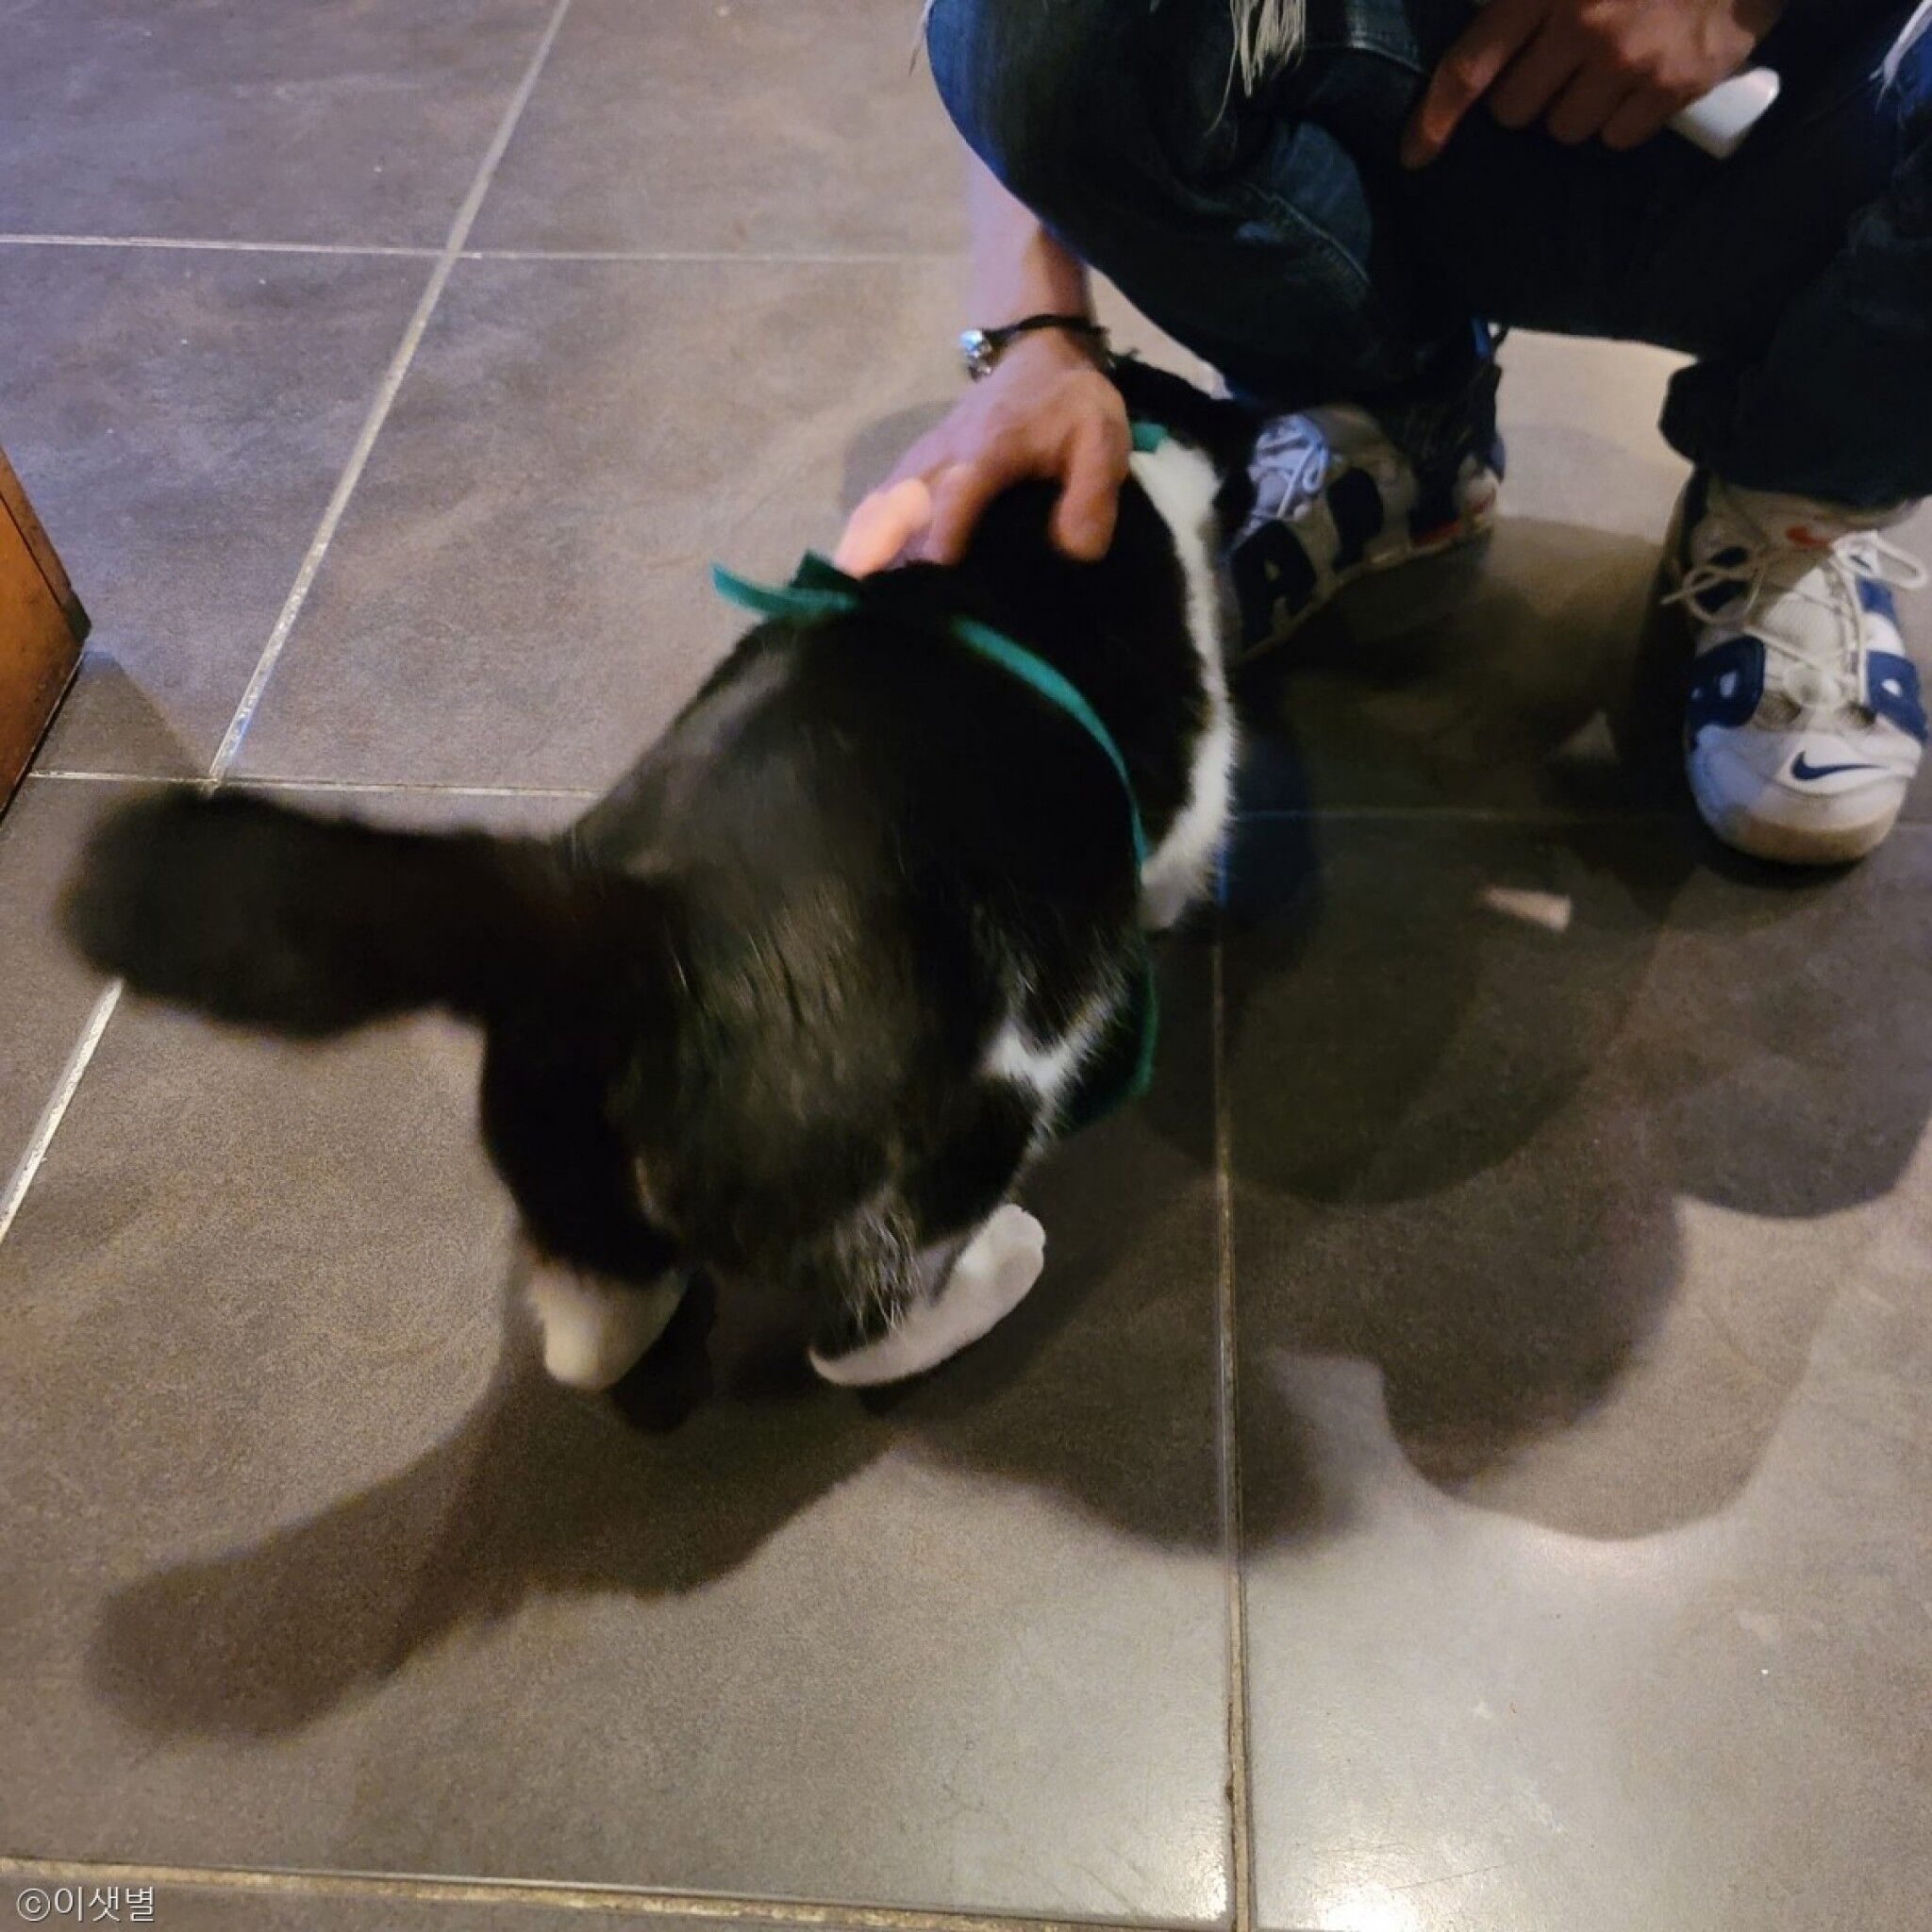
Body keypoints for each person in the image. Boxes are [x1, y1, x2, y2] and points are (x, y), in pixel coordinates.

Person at [845, 0, 1932, 865]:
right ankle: (1387, 418)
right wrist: (1033, 330)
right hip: (1422, 102)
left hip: (1825, 109)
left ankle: (1801, 495)